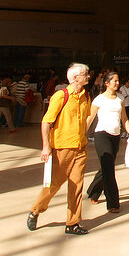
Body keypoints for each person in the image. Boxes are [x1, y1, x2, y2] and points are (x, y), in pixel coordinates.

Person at [27, 63, 92, 235]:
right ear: (75, 78)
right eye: (86, 74)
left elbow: (85, 119)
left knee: (77, 186)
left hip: (80, 147)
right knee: (54, 185)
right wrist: (46, 147)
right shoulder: (60, 96)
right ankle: (36, 209)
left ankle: (72, 223)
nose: (89, 77)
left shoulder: (86, 96)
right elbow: (46, 122)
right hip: (62, 148)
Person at [85, 71, 129, 214]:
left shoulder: (120, 98)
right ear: (107, 83)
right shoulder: (99, 100)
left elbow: (124, 118)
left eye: (118, 80)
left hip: (115, 136)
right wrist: (81, 134)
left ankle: (93, 192)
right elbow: (89, 119)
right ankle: (113, 202)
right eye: (114, 81)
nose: (117, 83)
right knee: (109, 169)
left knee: (106, 167)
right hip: (102, 135)